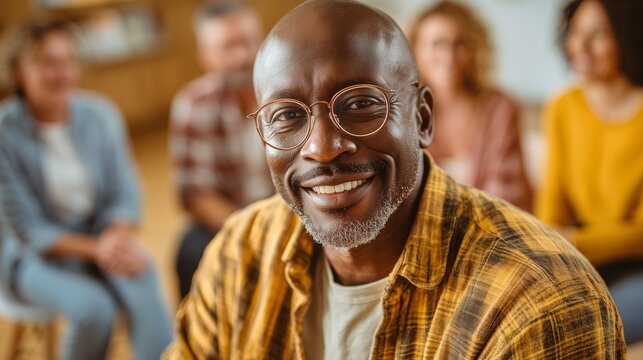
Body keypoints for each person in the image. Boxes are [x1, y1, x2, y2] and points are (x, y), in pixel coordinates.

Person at [164, 1, 625, 358]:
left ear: (423, 119)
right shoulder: (239, 254)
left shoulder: (537, 302)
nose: (321, 148)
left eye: (361, 103)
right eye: (286, 115)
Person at [0, 19, 171, 359]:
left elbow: (124, 192)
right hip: (30, 260)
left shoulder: (100, 115)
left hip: (99, 239)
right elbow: (27, 230)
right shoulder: (4, 133)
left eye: (68, 61)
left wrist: (115, 237)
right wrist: (99, 250)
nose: (62, 72)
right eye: (48, 62)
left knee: (143, 278)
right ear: (19, 72)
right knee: (94, 309)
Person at [536, 0, 643, 345]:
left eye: (598, 33)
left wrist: (574, 241)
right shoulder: (562, 107)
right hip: (578, 259)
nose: (579, 47)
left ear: (628, 36)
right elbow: (551, 209)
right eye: (575, 33)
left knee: (585, 329)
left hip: (635, 268)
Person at [169, 1, 273, 298]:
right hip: (229, 217)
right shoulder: (193, 103)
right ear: (206, 57)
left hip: (291, 212)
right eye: (228, 47)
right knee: (189, 251)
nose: (242, 56)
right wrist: (250, 232)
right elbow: (196, 194)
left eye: (248, 41)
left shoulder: (288, 92)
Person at [408, 1, 532, 211]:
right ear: (414, 49)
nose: (448, 57)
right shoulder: (403, 112)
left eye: (459, 44)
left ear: (475, 48)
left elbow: (509, 198)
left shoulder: (499, 108)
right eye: (437, 44)